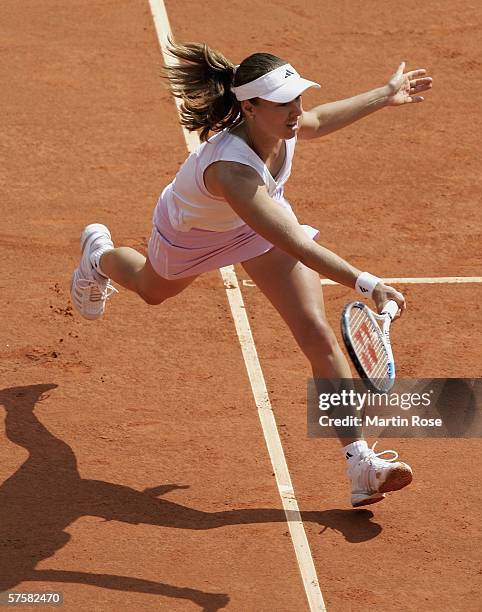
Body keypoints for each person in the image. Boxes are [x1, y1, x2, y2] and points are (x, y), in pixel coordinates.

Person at [70, 41, 433, 507]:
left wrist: (384, 94)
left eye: (297, 99)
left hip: (259, 228)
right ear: (250, 107)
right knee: (151, 289)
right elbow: (297, 244)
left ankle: (360, 463)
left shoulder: (287, 126)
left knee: (317, 334)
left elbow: (320, 120)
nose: (295, 111)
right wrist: (367, 283)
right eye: (283, 104)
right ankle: (98, 256)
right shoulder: (231, 170)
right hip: (192, 235)